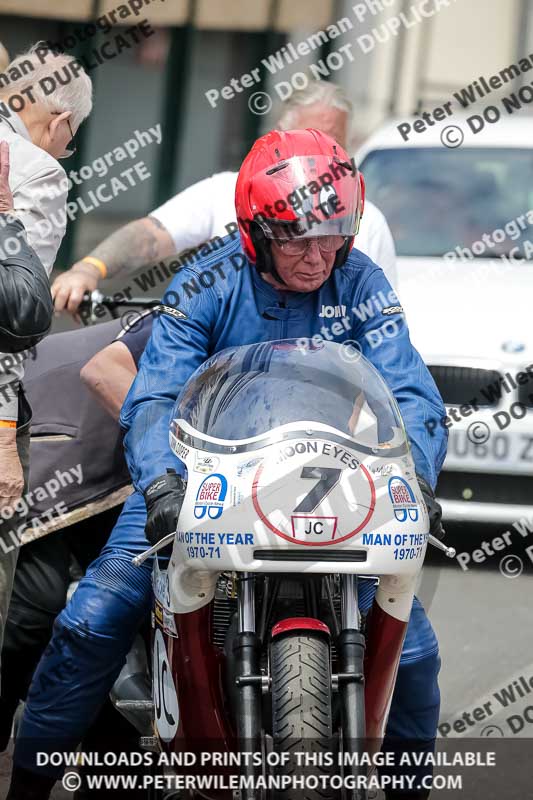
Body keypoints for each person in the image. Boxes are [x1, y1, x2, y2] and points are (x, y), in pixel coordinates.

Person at [9, 129, 445, 800]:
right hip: (199, 477)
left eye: (333, 236)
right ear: (255, 231)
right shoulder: (207, 278)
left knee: (412, 651)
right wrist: (159, 480)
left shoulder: (362, 281)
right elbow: (154, 392)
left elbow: (409, 388)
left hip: (331, 481)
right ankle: (29, 786)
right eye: (298, 239)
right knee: (92, 619)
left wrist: (415, 474)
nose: (317, 256)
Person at [51, 80, 397, 317]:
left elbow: (380, 331)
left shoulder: (368, 219)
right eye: (305, 139)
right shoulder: (226, 191)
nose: (318, 154)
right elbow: (151, 235)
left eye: (330, 143)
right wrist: (88, 269)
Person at [0, 43, 92, 678]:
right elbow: (12, 321)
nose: (70, 148)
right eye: (74, 134)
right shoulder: (34, 171)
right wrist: (5, 434)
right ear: (58, 121)